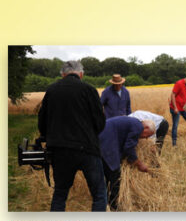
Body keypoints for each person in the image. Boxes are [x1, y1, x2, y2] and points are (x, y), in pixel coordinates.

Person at [37, 60, 107, 212]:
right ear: (81, 74)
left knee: (60, 194)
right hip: (88, 149)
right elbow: (100, 122)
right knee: (99, 195)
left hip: (59, 151)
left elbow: (42, 123)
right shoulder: (89, 90)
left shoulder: (52, 90)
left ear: (62, 74)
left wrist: (50, 138)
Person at [99, 115, 154, 210]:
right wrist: (139, 164)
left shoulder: (133, 123)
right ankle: (113, 205)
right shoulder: (138, 127)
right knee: (115, 177)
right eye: (147, 135)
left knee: (107, 175)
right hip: (107, 145)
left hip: (101, 140)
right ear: (146, 128)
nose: (145, 138)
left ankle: (105, 202)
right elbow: (128, 148)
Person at [168, 70, 186, 146]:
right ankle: (174, 144)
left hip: (184, 109)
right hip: (175, 108)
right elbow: (173, 95)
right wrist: (175, 108)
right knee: (175, 125)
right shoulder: (179, 83)